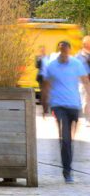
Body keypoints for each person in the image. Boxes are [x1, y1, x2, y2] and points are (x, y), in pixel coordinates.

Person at [41, 39, 90, 184]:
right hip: (58, 105)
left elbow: (86, 82)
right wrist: (44, 105)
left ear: (69, 51)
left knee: (69, 140)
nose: (63, 54)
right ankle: (67, 171)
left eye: (66, 51)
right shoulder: (51, 66)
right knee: (65, 138)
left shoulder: (77, 64)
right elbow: (46, 87)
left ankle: (67, 166)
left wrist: (88, 102)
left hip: (73, 105)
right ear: (58, 51)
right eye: (61, 51)